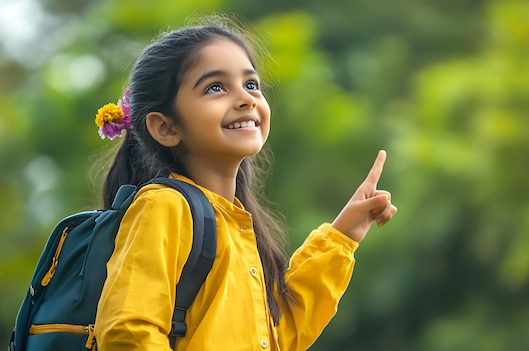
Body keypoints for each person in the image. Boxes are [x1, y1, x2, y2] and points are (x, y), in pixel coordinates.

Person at [93, 15, 397, 351]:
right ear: (166, 127)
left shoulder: (236, 222)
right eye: (215, 87)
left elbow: (280, 335)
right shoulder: (164, 206)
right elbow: (128, 331)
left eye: (251, 84)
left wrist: (343, 235)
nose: (246, 98)